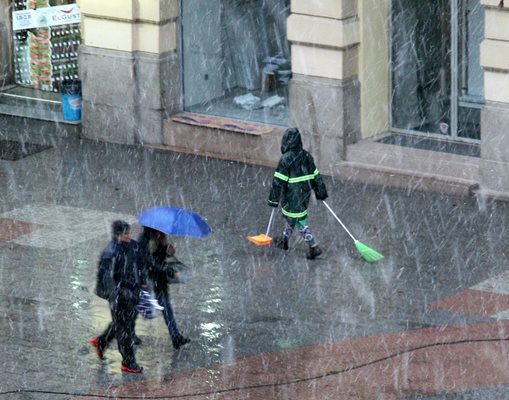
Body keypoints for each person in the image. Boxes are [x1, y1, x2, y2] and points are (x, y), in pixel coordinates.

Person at [90, 220, 147, 373]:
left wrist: (142, 281)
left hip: (132, 292)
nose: (130, 235)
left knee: (125, 322)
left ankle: (102, 341)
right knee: (124, 329)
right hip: (119, 296)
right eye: (126, 233)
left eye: (129, 232)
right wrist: (117, 293)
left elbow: (140, 264)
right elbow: (106, 277)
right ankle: (128, 362)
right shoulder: (110, 252)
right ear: (118, 235)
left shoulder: (133, 246)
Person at [268, 127, 328, 259]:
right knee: (293, 218)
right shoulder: (306, 156)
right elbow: (315, 175)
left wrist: (273, 200)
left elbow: (278, 181)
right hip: (304, 193)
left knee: (299, 220)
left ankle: (313, 246)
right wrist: (320, 191)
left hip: (291, 194)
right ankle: (284, 240)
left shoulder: (285, 159)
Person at [138, 227, 191, 350]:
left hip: (158, 279)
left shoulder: (160, 237)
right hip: (149, 279)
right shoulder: (145, 240)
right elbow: (151, 262)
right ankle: (116, 336)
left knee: (166, 307)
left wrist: (168, 251)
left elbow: (159, 258)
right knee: (132, 312)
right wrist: (170, 271)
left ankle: (175, 336)